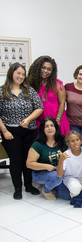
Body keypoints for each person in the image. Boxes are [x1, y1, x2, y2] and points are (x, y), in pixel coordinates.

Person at [0, 63, 43, 199]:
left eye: (23, 74)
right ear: (11, 73)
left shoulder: (29, 90)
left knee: (28, 160)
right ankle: (17, 188)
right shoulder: (2, 91)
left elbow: (39, 108)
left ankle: (28, 186)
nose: (21, 76)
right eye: (18, 73)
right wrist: (5, 131)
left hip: (29, 131)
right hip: (11, 132)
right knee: (16, 160)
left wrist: (29, 119)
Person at [26, 117, 70, 200]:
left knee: (66, 196)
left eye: (52, 125)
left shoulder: (62, 140)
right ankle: (46, 190)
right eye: (46, 126)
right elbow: (29, 164)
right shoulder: (37, 144)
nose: (50, 128)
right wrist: (46, 166)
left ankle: (53, 184)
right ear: (42, 129)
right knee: (56, 177)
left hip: (59, 172)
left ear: (56, 128)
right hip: (40, 173)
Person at [28, 55, 70, 135]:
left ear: (52, 72)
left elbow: (62, 104)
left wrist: (57, 121)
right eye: (43, 67)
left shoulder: (57, 84)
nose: (45, 71)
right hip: (40, 122)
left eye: (49, 69)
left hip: (57, 121)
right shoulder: (32, 84)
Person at [56, 131, 82, 204]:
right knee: (76, 188)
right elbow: (59, 175)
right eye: (72, 141)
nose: (75, 143)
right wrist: (61, 160)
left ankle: (79, 193)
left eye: (77, 140)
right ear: (68, 143)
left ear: (81, 141)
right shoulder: (65, 155)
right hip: (71, 178)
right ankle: (77, 193)